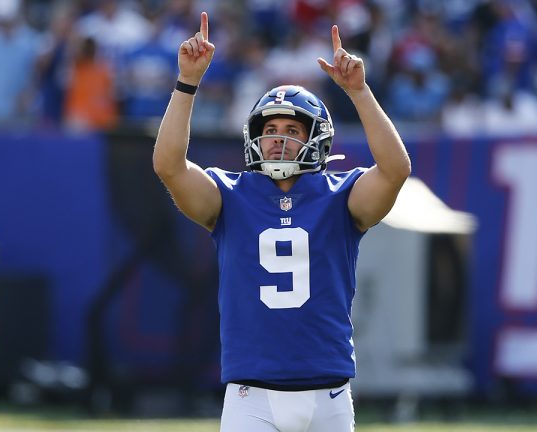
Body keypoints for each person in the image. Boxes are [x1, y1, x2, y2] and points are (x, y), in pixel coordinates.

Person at [153, 12, 411, 430]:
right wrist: (187, 83)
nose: (277, 137)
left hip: (328, 393)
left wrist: (360, 92)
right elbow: (168, 166)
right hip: (251, 395)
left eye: (292, 128)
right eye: (269, 127)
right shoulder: (230, 195)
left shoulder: (340, 196)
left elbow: (396, 169)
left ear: (317, 139)